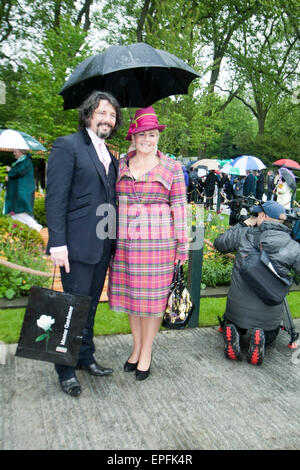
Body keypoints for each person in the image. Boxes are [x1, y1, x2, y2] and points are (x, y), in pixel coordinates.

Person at [45, 91, 123, 397]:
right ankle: (64, 368)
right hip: (75, 246)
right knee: (71, 308)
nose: (107, 118)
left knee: (89, 307)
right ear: (89, 114)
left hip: (102, 244)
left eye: (112, 114)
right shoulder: (68, 145)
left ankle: (84, 356)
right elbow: (55, 198)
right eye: (102, 112)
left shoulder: (109, 153)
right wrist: (57, 242)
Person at [108, 106, 188, 381]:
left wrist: (183, 245)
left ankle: (147, 352)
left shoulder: (172, 167)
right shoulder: (119, 165)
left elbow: (180, 207)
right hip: (125, 243)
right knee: (133, 299)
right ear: (133, 136)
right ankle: (136, 347)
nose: (147, 139)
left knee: (152, 301)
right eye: (142, 134)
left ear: (158, 137)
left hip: (158, 245)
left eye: (152, 134)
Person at [214, 200, 300, 366]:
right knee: (271, 333)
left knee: (235, 323)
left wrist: (243, 223)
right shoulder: (293, 246)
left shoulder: (244, 234)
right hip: (269, 315)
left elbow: (220, 243)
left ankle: (234, 332)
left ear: (262, 216)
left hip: (236, 312)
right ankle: (261, 336)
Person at [4, 149, 42, 231]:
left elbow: (19, 172)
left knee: (19, 211)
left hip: (22, 191)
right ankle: (20, 232)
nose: (13, 153)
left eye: (15, 151)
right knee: (15, 213)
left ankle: (36, 227)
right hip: (19, 190)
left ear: (21, 152)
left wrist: (10, 171)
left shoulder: (26, 161)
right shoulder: (21, 161)